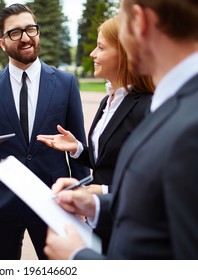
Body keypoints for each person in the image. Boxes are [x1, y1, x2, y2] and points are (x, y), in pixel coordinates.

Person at [44, 0, 198, 260]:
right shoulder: (175, 104)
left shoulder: (188, 126)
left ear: (140, 22)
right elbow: (155, 204)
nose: (93, 53)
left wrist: (79, 259)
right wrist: (94, 204)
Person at [0, 3, 89, 260]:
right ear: (2, 43)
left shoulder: (66, 83)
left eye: (30, 29)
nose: (25, 37)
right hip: (1, 206)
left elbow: (77, 146)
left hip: (54, 205)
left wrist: (80, 195)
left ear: (38, 33)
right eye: (15, 33)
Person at [38, 17, 154, 194]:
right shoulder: (107, 101)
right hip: (100, 217)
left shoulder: (147, 107)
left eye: (101, 47)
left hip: (125, 216)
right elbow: (104, 161)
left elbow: (152, 184)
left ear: (124, 53)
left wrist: (102, 192)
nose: (93, 54)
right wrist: (77, 148)